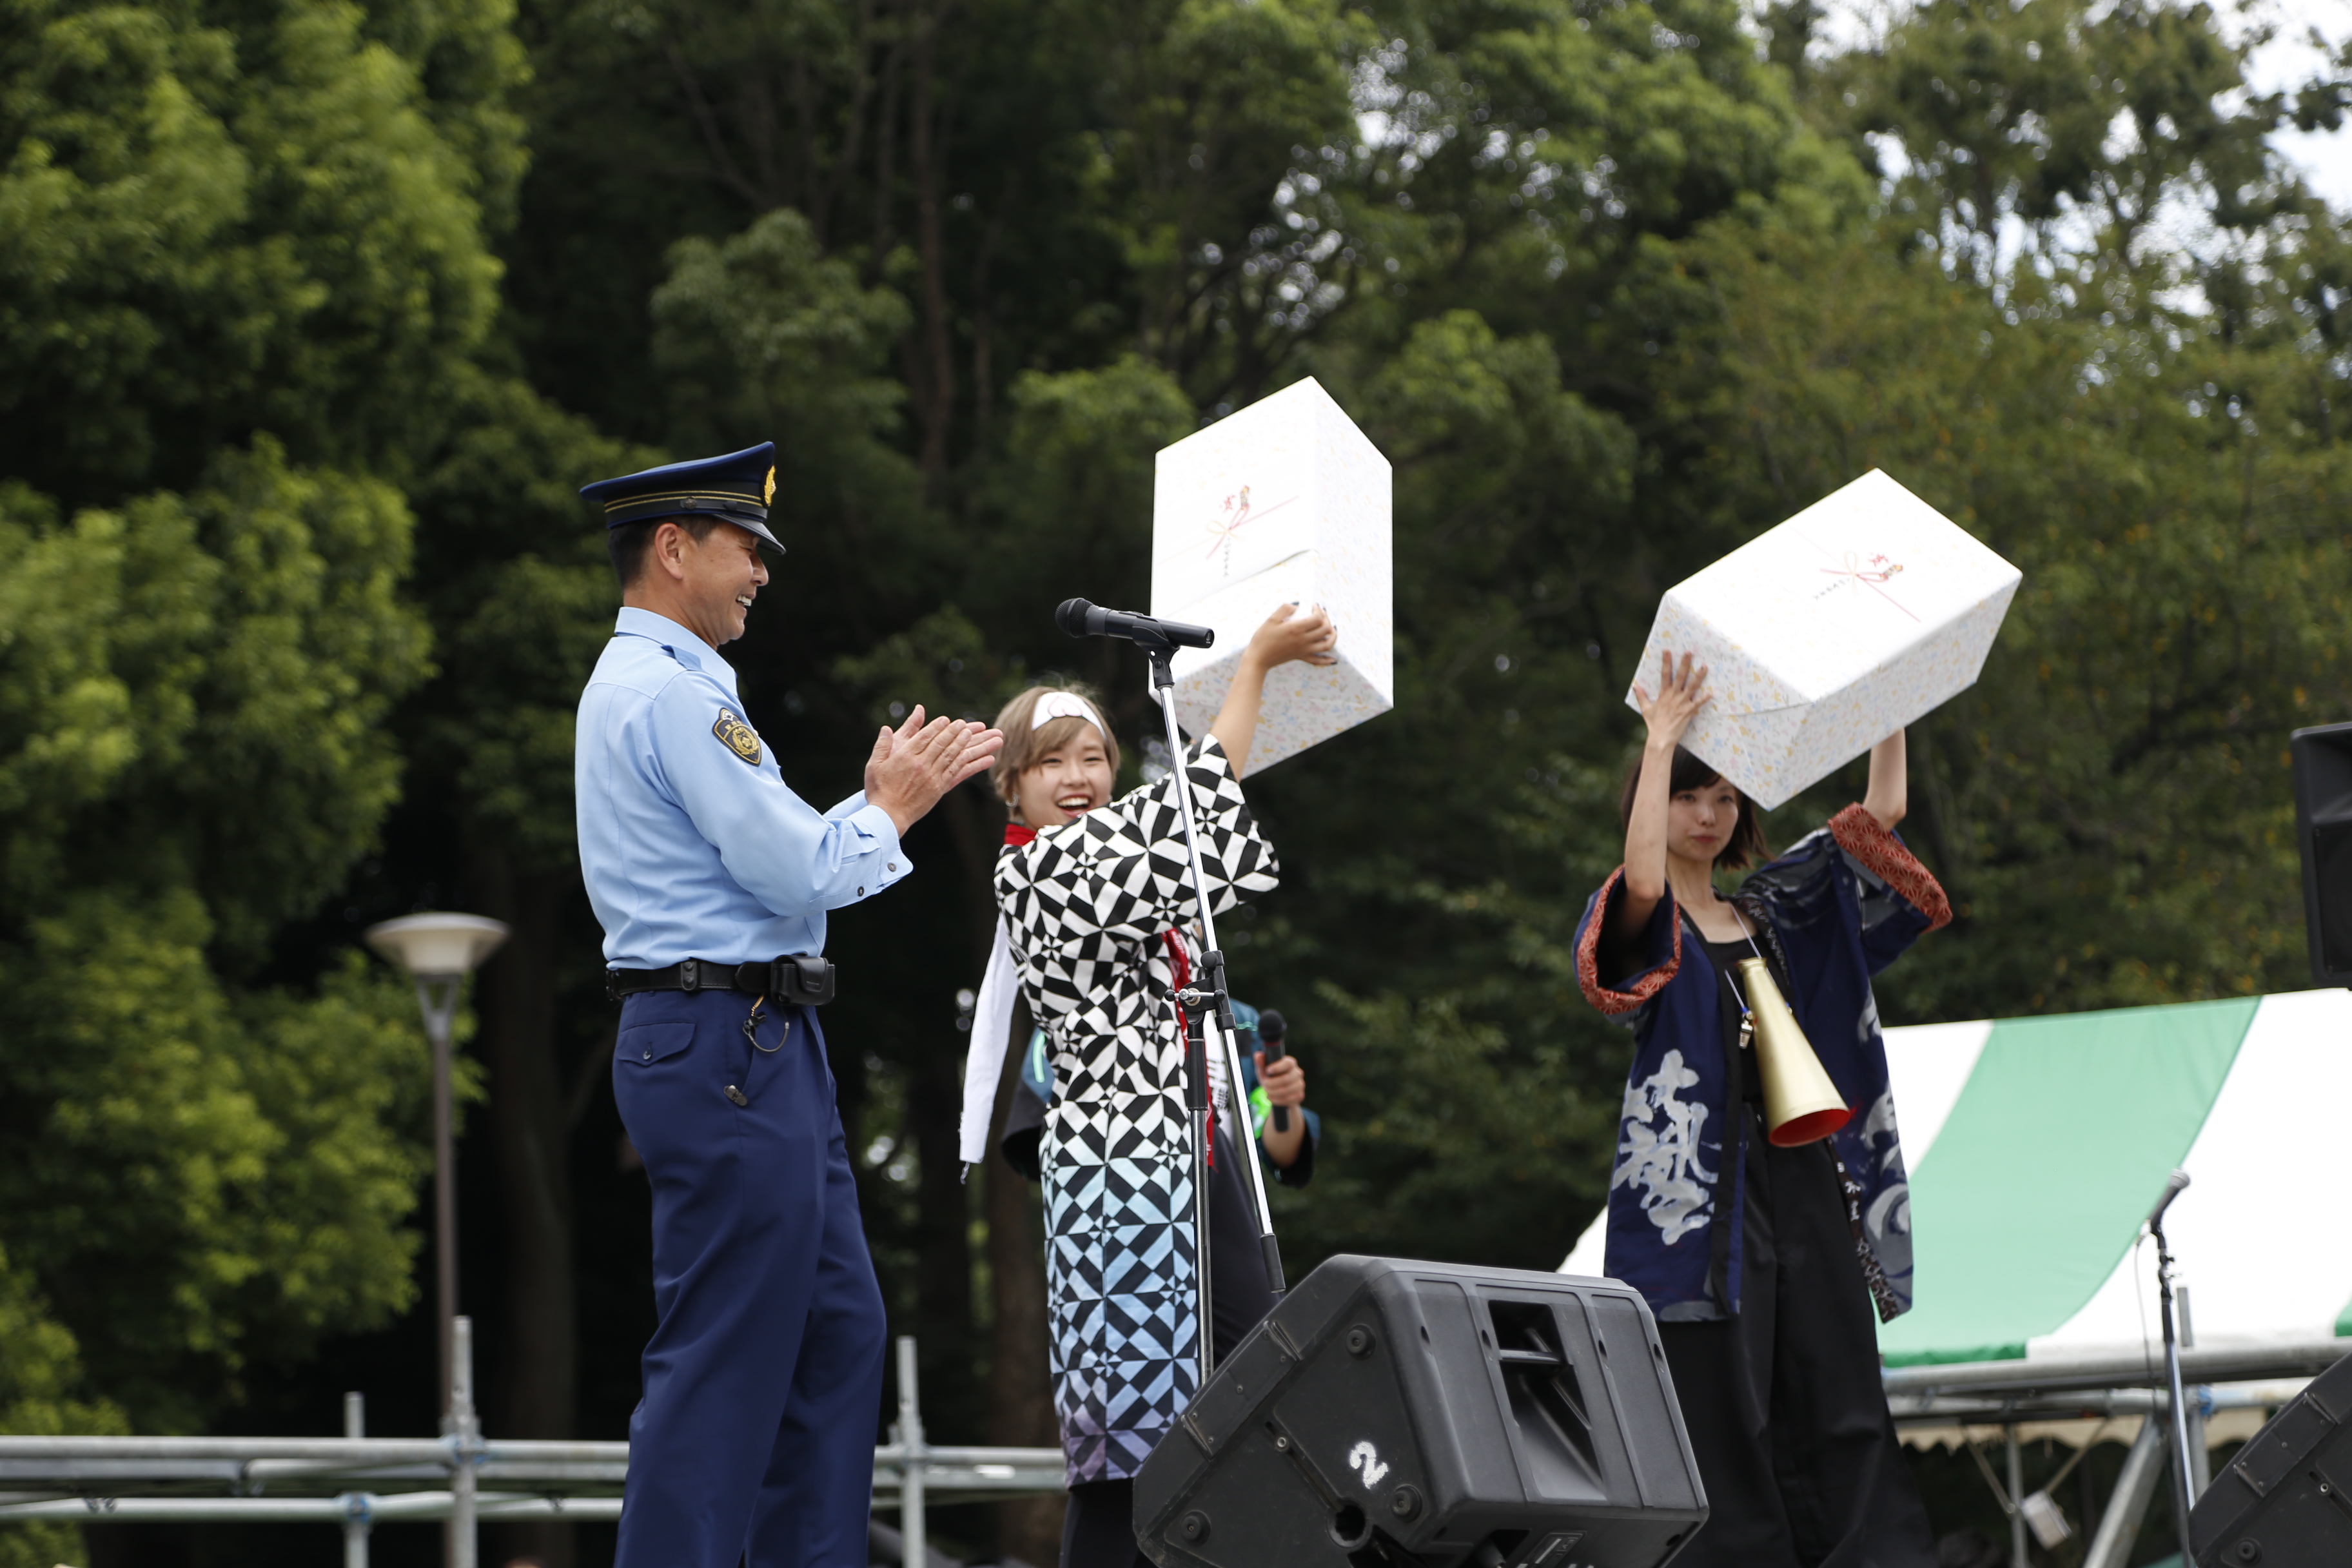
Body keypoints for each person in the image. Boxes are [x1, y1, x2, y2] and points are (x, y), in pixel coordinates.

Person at [572, 442, 1003, 1568]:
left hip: (749, 1036)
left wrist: (866, 812)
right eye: (745, 547)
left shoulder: (675, 688)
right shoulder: (670, 693)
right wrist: (889, 809)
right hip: (722, 1037)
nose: (762, 569)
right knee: (728, 1349)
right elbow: (800, 873)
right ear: (672, 550)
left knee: (833, 1331)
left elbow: (780, 863)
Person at [954, 603, 1337, 1568]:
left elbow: (1183, 826)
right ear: (1012, 785)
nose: (1078, 778)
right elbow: (1199, 808)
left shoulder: (1107, 863)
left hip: (1191, 1156)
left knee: (1255, 1389)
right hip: (1121, 1178)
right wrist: (1251, 667)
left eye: (1093, 758)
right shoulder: (1038, 876)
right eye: (1051, 762)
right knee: (1130, 1443)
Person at [1574, 651, 1950, 1568]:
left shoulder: (1773, 909)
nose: (1705, 815)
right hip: (1702, 1203)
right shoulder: (1643, 915)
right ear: (1652, 807)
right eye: (1686, 797)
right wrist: (1659, 738)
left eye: (1724, 800)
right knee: (1722, 1400)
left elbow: (1879, 818)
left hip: (1806, 1174)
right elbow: (1648, 889)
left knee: (1837, 1384)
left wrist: (1885, 701)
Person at [995, 997, 1320, 1187]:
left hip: (1226, 1216)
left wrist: (1284, 1103)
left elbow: (1282, 1154)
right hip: (1117, 1212)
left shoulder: (1241, 1022)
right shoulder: (1079, 1007)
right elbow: (1040, 1134)